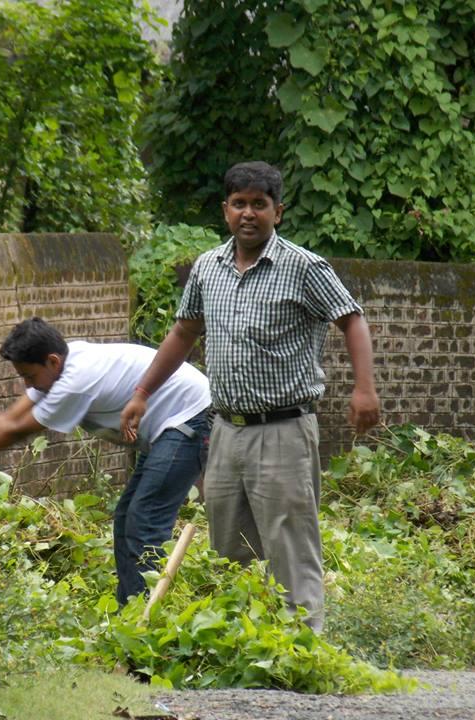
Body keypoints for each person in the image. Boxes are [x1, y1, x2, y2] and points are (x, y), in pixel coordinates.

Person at [120, 161, 379, 631]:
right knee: (228, 547)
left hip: (284, 429)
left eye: (259, 204)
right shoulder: (208, 268)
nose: (248, 213)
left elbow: (351, 318)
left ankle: (304, 649)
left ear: (277, 212)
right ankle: (245, 643)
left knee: (290, 544)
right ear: (225, 210)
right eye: (239, 203)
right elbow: (184, 331)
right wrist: (142, 391)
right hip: (225, 430)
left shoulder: (303, 267)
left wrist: (365, 389)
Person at [0, 317, 212, 606]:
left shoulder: (74, 383)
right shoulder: (60, 364)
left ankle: (148, 618)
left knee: (144, 520)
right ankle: (132, 613)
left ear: (52, 361)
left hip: (189, 417)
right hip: (169, 424)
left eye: (29, 378)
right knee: (126, 518)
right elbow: (9, 418)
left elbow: (16, 431)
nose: (27, 385)